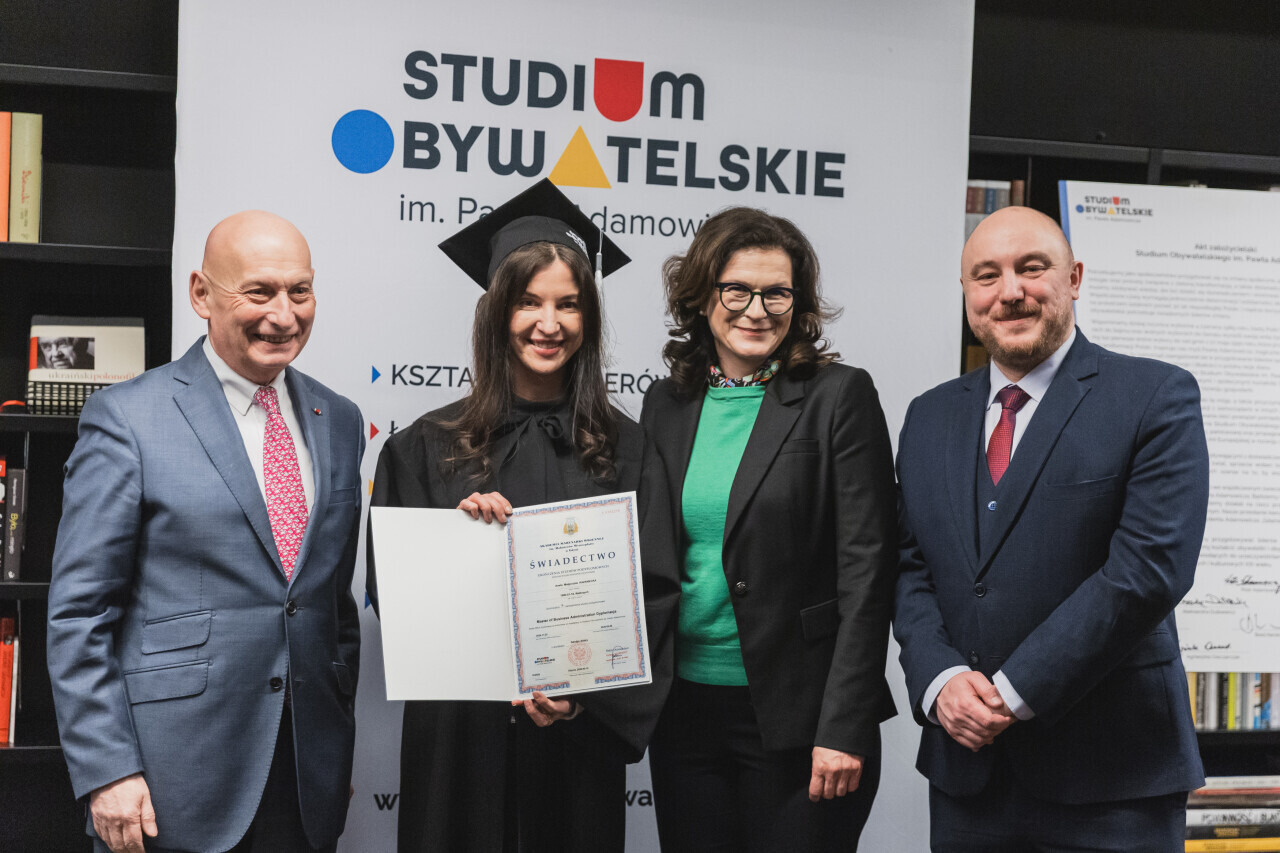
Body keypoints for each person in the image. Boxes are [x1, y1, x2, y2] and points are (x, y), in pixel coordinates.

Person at [366, 179, 679, 853]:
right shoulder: (424, 447)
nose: (549, 322)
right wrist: (457, 543)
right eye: (529, 301)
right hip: (460, 739)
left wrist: (582, 699)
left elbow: (653, 596)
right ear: (496, 310)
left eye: (569, 304)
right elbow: (393, 595)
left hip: (574, 743)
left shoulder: (628, 450)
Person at [47, 210, 365, 853]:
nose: (283, 314)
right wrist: (107, 769)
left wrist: (330, 742)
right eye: (259, 292)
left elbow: (330, 606)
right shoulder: (128, 417)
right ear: (201, 294)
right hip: (169, 785)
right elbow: (80, 612)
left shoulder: (340, 418)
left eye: (299, 291)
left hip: (304, 782)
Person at [893, 205, 1209, 852]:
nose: (1009, 291)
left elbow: (1148, 571)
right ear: (966, 293)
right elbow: (909, 565)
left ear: (1074, 278)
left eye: (1031, 268)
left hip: (1115, 780)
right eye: (987, 275)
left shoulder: (1155, 396)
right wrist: (939, 680)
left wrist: (1012, 693)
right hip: (969, 781)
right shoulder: (927, 416)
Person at [641, 207, 898, 852]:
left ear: (798, 302)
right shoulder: (666, 403)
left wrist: (844, 726)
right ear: (701, 296)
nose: (756, 310)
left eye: (776, 293)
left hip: (801, 718)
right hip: (685, 714)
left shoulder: (838, 395)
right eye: (737, 290)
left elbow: (867, 572)